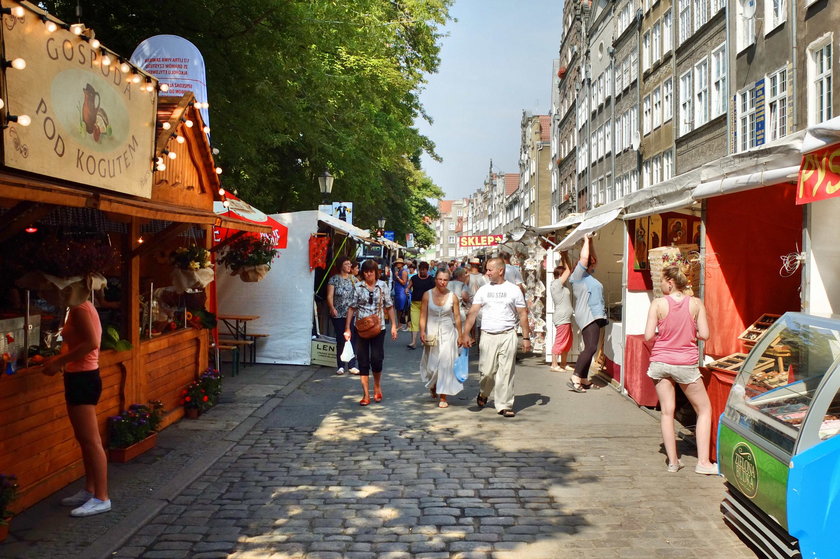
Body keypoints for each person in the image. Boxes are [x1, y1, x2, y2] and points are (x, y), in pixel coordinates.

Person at [41, 280, 111, 517]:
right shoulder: (79, 307)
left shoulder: (81, 308)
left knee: (91, 440)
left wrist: (59, 361)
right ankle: (90, 489)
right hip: (79, 376)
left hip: (84, 377)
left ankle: (102, 497)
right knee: (83, 438)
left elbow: (92, 343)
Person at [644, 264, 716, 475]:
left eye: (661, 281)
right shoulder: (695, 303)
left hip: (660, 362)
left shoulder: (657, 304)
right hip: (685, 363)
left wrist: (664, 336)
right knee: (703, 409)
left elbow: (648, 335)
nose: (660, 285)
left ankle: (673, 462)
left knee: (667, 411)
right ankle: (703, 462)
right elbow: (705, 334)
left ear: (670, 282)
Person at [462, 257, 529, 418]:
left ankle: (504, 405)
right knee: (487, 372)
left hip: (508, 334)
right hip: (488, 335)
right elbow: (473, 312)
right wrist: (465, 333)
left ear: (500, 270)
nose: (487, 273)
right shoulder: (484, 290)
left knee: (506, 372)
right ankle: (484, 392)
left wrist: (526, 338)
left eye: (490, 270)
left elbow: (522, 314)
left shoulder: (514, 290)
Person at [344, 260, 398, 406]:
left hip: (378, 328)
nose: (369, 274)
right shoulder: (358, 287)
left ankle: (377, 386)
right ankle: (366, 394)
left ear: (376, 272)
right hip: (361, 328)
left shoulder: (382, 286)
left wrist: (393, 325)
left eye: (371, 271)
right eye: (366, 271)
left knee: (376, 358)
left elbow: (389, 306)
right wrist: (347, 328)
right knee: (362, 360)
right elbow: (351, 308)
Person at [419, 270, 464, 408]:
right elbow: (423, 315)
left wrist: (460, 334)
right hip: (432, 332)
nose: (442, 282)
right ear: (435, 279)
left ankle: (443, 396)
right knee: (432, 365)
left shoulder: (453, 296)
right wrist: (422, 331)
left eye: (445, 280)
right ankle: (433, 384)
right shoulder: (427, 295)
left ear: (448, 281)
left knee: (445, 363)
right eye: (440, 279)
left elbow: (457, 317)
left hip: (448, 332)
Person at [568, 234, 607, 392]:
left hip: (594, 314)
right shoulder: (578, 275)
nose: (593, 261)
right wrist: (585, 239)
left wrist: (590, 242)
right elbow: (584, 258)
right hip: (588, 314)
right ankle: (576, 376)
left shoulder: (588, 276)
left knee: (591, 347)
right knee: (590, 348)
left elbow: (592, 257)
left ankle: (583, 378)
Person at [326, 256, 360, 375]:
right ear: (341, 266)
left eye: (350, 264)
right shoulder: (334, 279)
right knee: (341, 338)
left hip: (351, 312)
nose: (349, 266)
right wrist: (332, 307)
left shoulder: (354, 279)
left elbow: (359, 295)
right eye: (346, 264)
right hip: (338, 312)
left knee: (351, 337)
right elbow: (330, 295)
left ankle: (352, 364)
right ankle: (340, 364)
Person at [549, 252, 574, 372]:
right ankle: (554, 364)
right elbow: (568, 270)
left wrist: (563, 257)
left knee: (568, 341)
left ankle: (563, 363)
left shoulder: (559, 284)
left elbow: (563, 268)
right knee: (560, 340)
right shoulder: (556, 284)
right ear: (560, 275)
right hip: (562, 317)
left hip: (566, 317)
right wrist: (565, 255)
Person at [406, 261, 434, 349]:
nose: (422, 272)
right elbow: (408, 286)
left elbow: (435, 290)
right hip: (415, 304)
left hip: (427, 304)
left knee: (425, 323)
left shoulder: (431, 279)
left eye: (424, 270)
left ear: (427, 270)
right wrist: (407, 290)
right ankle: (413, 342)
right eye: (421, 270)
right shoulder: (414, 278)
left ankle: (424, 340)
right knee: (414, 322)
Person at [392, 258, 410, 331]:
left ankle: (406, 324)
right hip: (397, 291)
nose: (397, 264)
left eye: (399, 263)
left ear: (402, 264)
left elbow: (404, 282)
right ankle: (400, 324)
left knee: (403, 308)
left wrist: (397, 277)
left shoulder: (403, 272)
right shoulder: (398, 271)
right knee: (398, 309)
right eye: (397, 263)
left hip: (402, 292)